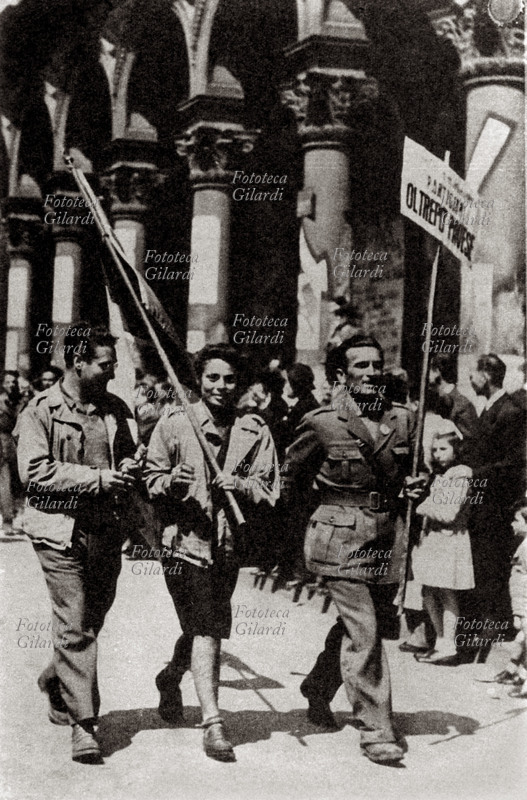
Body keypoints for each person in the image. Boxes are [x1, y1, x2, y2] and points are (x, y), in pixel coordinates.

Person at [283, 334, 414, 765]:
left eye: (377, 366)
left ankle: (317, 687)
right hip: (339, 537)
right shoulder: (322, 422)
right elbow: (289, 478)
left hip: (384, 536)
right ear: (341, 374)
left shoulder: (403, 418)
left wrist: (418, 484)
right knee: (365, 631)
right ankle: (376, 729)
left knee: (361, 626)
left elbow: (408, 475)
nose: (372, 374)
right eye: (361, 367)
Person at [144, 343, 279, 762]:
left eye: (230, 379)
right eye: (212, 378)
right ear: (199, 380)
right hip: (182, 543)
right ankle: (213, 721)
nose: (221, 386)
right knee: (205, 624)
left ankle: (171, 678)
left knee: (202, 624)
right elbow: (150, 476)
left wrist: (239, 486)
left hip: (227, 546)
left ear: (242, 384)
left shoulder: (255, 429)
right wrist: (171, 481)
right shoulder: (175, 422)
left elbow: (270, 489)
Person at [15, 324, 139, 764]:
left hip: (105, 532)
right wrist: (99, 479)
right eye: (106, 363)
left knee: (93, 616)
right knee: (75, 624)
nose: (113, 370)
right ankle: (85, 726)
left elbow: (127, 453)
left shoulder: (116, 408)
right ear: (79, 362)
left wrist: (129, 465)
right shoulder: (39, 411)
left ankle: (57, 680)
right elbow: (35, 474)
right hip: (58, 531)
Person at [466, 354, 526, 655]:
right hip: (482, 502)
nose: (470, 379)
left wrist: (473, 473)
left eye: (473, 374)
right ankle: (489, 624)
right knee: (483, 563)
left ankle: (493, 627)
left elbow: (512, 463)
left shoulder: (510, 411)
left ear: (486, 376)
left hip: (496, 504)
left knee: (492, 565)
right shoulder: (490, 408)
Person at [411, 424, 475, 664]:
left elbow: (449, 513)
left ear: (455, 449)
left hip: (450, 539)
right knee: (428, 591)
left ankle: (449, 645)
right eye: (435, 449)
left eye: (443, 448)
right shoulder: (442, 474)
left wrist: (422, 506)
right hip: (435, 539)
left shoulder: (461, 474)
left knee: (446, 593)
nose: (438, 453)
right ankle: (439, 641)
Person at [427, 353, 478, 454]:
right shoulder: (437, 399)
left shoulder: (461, 404)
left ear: (437, 372)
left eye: (429, 370)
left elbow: (469, 442)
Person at [0, 370, 23, 534]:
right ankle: (7, 521)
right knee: (5, 481)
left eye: (14, 382)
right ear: (3, 384)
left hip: (16, 444)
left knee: (15, 481)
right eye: (8, 382)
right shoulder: (1, 401)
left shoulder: (21, 401)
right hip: (2, 442)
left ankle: (14, 516)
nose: (12, 385)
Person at [283, 363, 319, 446]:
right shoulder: (309, 402)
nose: (285, 386)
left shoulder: (303, 407)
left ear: (295, 383)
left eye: (287, 382)